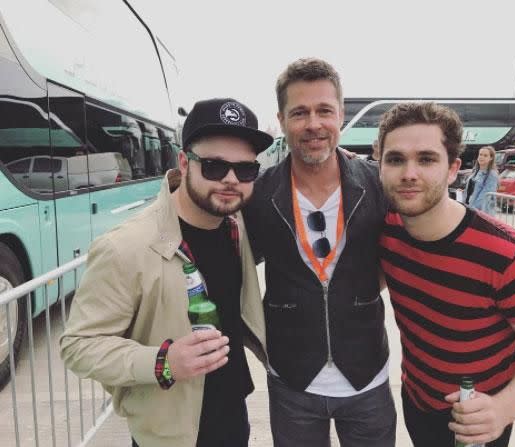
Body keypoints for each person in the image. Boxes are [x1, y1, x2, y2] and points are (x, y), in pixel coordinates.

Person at [60, 98, 272, 447]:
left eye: (246, 169)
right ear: (185, 163)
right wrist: (163, 362)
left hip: (233, 414)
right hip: (169, 432)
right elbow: (78, 346)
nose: (231, 180)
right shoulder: (126, 246)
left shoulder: (236, 224)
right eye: (215, 166)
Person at [377, 102, 515, 447]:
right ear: (380, 166)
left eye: (426, 159)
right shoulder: (386, 231)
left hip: (479, 417)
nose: (409, 173)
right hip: (416, 399)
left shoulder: (508, 255)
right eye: (395, 159)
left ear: (452, 169)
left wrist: (503, 409)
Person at [243, 58, 396, 446]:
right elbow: (234, 268)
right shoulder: (258, 196)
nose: (313, 124)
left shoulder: (377, 185)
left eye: (324, 110)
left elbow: (403, 254)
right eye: (300, 112)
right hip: (292, 378)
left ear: (340, 115)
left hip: (367, 375)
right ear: (281, 119)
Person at [463, 145, 499, 215]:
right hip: (468, 208)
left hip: (480, 212)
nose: (481, 157)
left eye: (485, 155)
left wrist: (472, 210)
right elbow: (471, 190)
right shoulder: (475, 171)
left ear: (491, 158)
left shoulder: (492, 175)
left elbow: (485, 196)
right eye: (480, 154)